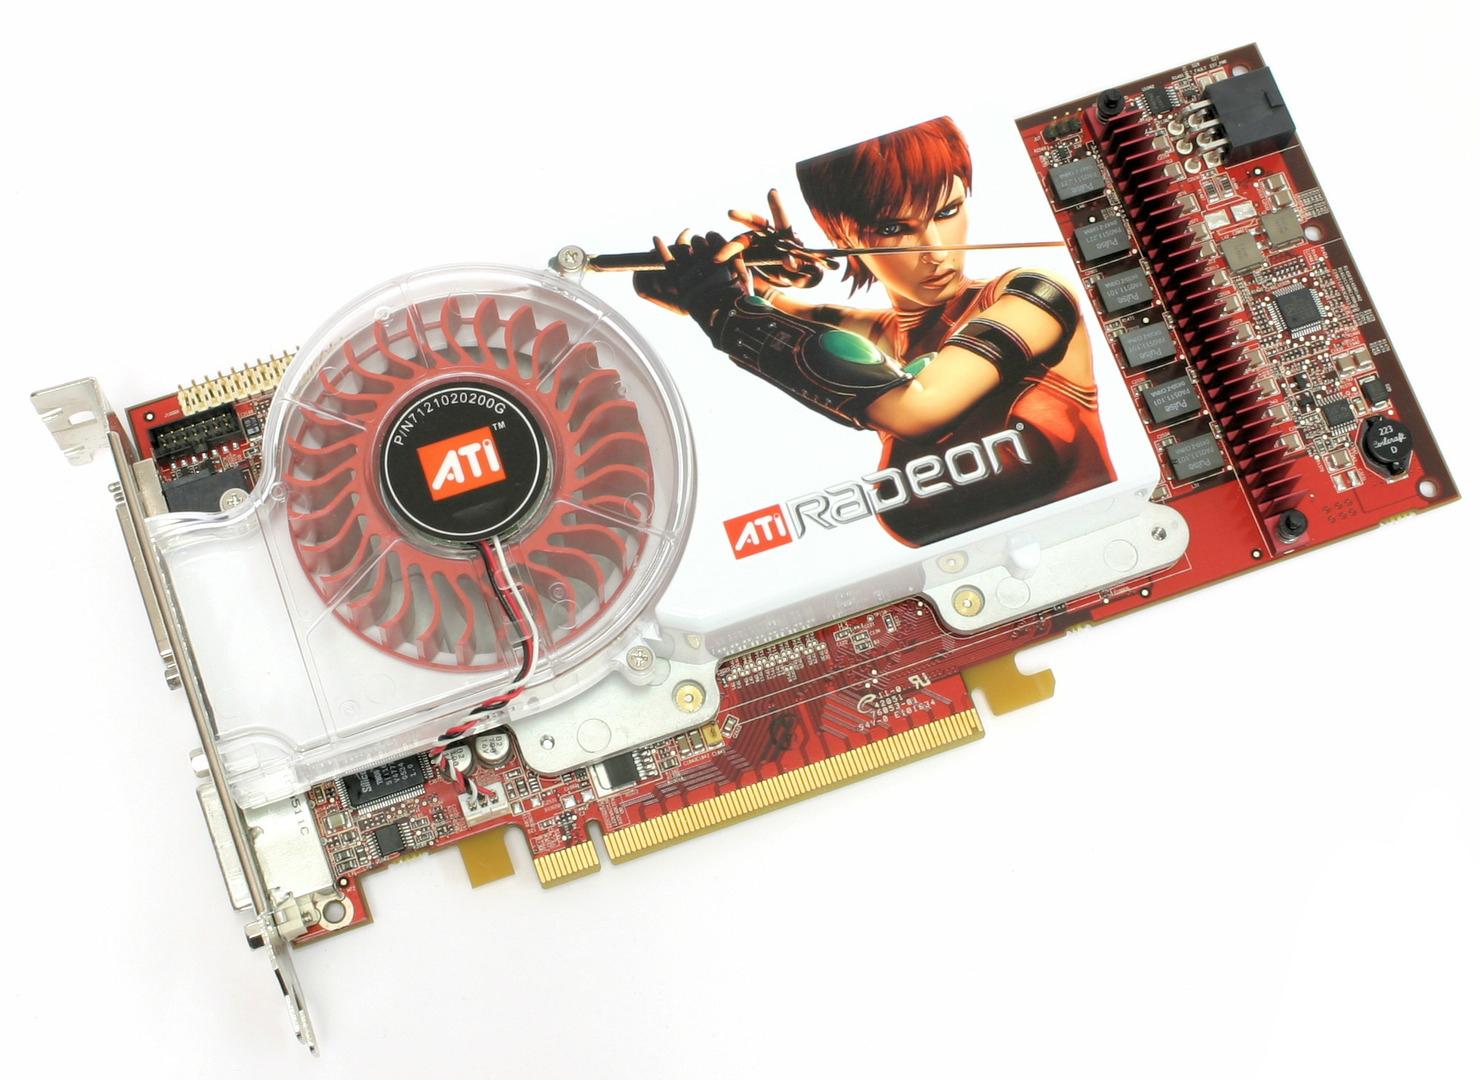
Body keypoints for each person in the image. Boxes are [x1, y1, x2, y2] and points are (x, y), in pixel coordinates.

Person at [634, 117, 1114, 546]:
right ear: (842, 238)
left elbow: (918, 409)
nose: (936, 251)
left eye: (947, 212)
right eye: (892, 229)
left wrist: (724, 307)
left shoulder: (1034, 296)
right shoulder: (877, 335)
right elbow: (751, 309)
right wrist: (748, 276)